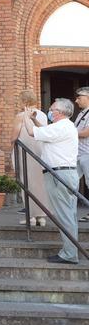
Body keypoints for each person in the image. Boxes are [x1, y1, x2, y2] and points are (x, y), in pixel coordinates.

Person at [23, 98, 79, 264]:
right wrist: (34, 119)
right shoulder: (62, 127)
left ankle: (69, 254)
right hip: (64, 173)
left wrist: (26, 117)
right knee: (68, 214)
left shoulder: (62, 127)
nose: (50, 111)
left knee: (64, 215)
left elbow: (32, 133)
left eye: (52, 109)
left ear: (60, 112)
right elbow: (45, 131)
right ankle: (70, 251)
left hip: (58, 175)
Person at [11, 89, 48, 226]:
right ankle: (42, 216)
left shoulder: (21, 115)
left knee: (26, 182)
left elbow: (14, 136)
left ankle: (31, 217)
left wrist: (11, 144)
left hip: (25, 151)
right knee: (39, 183)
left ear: (23, 101)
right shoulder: (43, 115)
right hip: (39, 152)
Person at [74, 87, 89, 223]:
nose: (76, 100)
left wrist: (69, 133)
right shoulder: (82, 113)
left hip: (87, 154)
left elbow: (86, 132)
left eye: (79, 97)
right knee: (71, 181)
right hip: (78, 154)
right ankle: (69, 210)